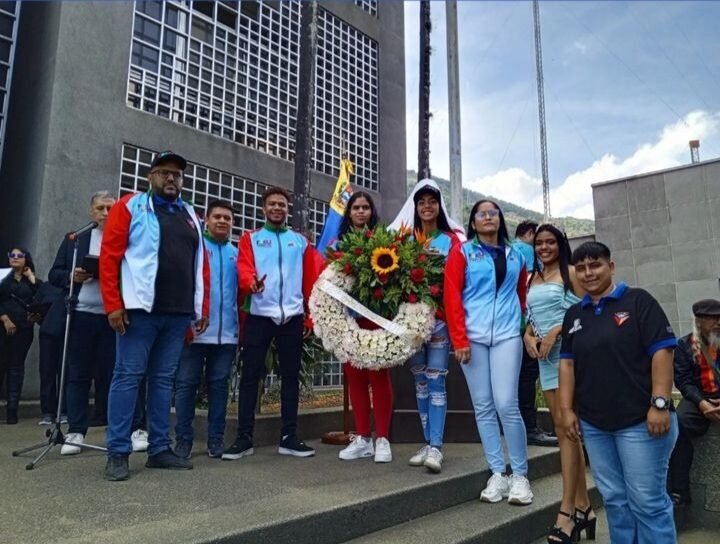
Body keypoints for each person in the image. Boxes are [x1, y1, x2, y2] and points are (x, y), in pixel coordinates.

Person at [558, 241, 678, 544]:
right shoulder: (574, 314)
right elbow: (567, 365)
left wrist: (660, 404)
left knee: (647, 503)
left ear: (610, 267)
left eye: (595, 265)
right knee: (614, 500)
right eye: (581, 268)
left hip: (641, 422)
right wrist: (566, 410)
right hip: (596, 426)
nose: (588, 273)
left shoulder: (638, 302)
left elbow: (662, 352)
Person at [100, 151, 209, 481]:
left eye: (177, 174)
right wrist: (113, 304)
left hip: (177, 314)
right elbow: (110, 256)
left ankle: (159, 448)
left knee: (163, 381)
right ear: (151, 177)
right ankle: (118, 451)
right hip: (139, 312)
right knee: (127, 376)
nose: (171, 178)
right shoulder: (130, 206)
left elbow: (200, 265)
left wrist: (201, 308)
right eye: (164, 172)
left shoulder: (190, 214)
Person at [444, 199, 533, 505]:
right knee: (483, 406)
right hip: (473, 338)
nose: (487, 217)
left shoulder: (516, 254)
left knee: (507, 403)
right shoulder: (462, 252)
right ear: (473, 222)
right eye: (481, 214)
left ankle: (520, 475)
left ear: (499, 219)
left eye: (493, 213)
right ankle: (497, 473)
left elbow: (521, 293)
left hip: (507, 335)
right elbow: (452, 295)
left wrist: (520, 322)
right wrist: (459, 338)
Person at [223, 187, 321, 460]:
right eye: (272, 204)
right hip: (259, 316)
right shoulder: (251, 238)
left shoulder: (300, 242)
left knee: (290, 377)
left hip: (292, 318)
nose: (277, 208)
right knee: (250, 377)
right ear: (264, 208)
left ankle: (289, 437)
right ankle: (244, 438)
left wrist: (309, 316)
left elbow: (311, 279)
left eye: (281, 204)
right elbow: (244, 267)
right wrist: (250, 283)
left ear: (287, 209)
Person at [523, 224, 593, 543]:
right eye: (539, 243)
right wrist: (528, 336)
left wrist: (556, 331)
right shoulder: (532, 277)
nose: (544, 247)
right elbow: (531, 318)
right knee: (565, 432)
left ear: (560, 244)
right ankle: (584, 508)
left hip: (569, 357)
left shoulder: (571, 273)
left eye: (550, 242)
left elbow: (586, 313)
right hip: (544, 360)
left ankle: (566, 512)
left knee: (568, 431)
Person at [389, 179, 463, 472]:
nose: (427, 206)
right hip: (412, 322)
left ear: (439, 206)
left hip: (440, 321)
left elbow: (457, 281)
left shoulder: (452, 240)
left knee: (436, 380)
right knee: (419, 381)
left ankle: (437, 447)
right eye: (421, 202)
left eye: (432, 201)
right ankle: (427, 441)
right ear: (415, 207)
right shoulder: (404, 241)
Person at [44, 191, 118, 455]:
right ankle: (76, 430)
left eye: (110, 208)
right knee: (77, 374)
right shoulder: (76, 239)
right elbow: (54, 273)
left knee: (112, 374)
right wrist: (71, 276)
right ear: (91, 211)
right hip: (80, 314)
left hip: (112, 316)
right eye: (100, 208)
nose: (105, 213)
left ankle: (116, 429)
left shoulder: (123, 238)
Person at [174, 200, 239, 460]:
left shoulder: (237, 254)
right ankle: (183, 440)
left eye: (227, 218)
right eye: (217, 217)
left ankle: (216, 440)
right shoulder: (196, 248)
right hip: (195, 332)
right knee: (186, 385)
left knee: (219, 387)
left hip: (226, 335)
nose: (222, 221)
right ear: (206, 221)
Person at [333, 191, 395, 463]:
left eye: (365, 207)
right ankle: (363, 438)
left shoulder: (384, 242)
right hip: (348, 319)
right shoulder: (338, 245)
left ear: (372, 212)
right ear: (349, 213)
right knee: (355, 377)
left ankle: (382, 439)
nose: (360, 212)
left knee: (378, 376)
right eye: (356, 207)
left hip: (375, 316)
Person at [668, 299, 720, 507]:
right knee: (676, 425)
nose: (718, 322)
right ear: (698, 321)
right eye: (712, 318)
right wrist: (702, 404)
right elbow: (683, 381)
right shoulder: (684, 345)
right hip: (700, 398)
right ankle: (680, 491)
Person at [513, 220, 556, 448]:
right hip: (530, 327)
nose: (542, 248)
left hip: (516, 326)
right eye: (539, 241)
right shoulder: (526, 252)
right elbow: (529, 289)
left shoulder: (510, 249)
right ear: (530, 234)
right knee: (528, 377)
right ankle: (530, 428)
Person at [0, 247, 41, 424]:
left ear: (26, 259)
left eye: (19, 255)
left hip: (23, 329)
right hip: (3, 327)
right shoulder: (3, 277)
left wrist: (32, 278)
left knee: (16, 368)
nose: (15, 258)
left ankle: (12, 411)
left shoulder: (30, 281)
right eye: (12, 255)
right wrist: (4, 318)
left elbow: (42, 297)